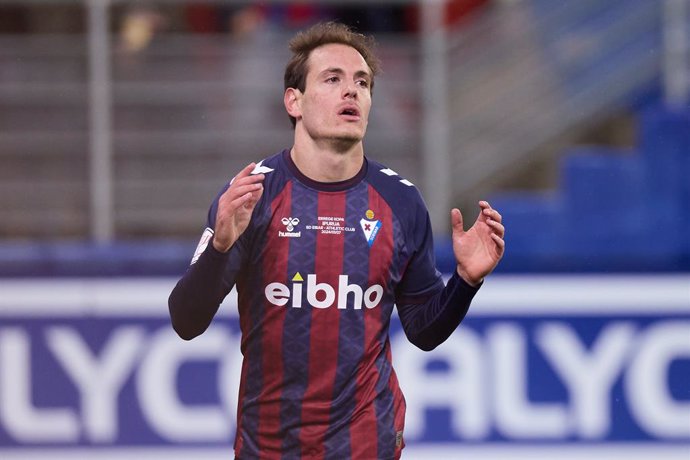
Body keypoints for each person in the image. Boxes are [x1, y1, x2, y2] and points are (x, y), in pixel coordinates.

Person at [168, 21, 504, 460]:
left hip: (368, 444)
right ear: (295, 101)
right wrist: (220, 249)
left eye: (362, 83)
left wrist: (464, 282)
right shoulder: (252, 196)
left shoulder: (401, 202)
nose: (352, 92)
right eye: (333, 79)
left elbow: (423, 330)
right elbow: (185, 321)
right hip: (269, 447)